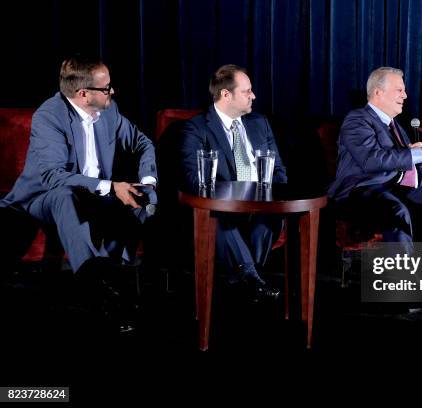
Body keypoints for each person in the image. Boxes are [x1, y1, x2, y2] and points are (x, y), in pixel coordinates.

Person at [0, 55, 158, 327]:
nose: (112, 91)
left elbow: (142, 143)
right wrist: (110, 187)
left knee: (141, 196)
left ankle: (114, 274)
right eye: (106, 87)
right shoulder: (49, 116)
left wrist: (147, 180)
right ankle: (95, 282)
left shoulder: (109, 110)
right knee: (66, 197)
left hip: (94, 194)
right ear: (83, 94)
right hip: (43, 198)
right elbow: (53, 176)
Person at [178, 64, 287, 302]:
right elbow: (194, 179)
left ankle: (245, 279)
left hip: (263, 206)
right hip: (224, 210)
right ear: (226, 94)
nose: (254, 96)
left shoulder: (260, 123)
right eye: (247, 91)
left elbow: (278, 171)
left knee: (270, 218)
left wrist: (276, 195)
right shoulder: (196, 128)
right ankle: (253, 281)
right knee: (217, 217)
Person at [328, 67, 422, 246]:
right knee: (394, 208)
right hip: (362, 191)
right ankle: (402, 273)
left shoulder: (395, 125)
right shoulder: (357, 119)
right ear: (378, 93)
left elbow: (402, 162)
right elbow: (371, 160)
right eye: (399, 90)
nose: (405, 96)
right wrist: (418, 153)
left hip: (396, 190)